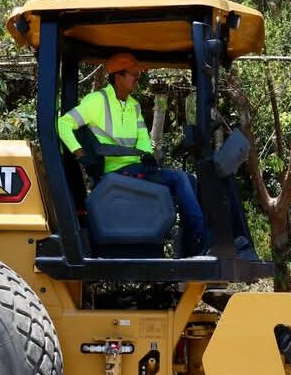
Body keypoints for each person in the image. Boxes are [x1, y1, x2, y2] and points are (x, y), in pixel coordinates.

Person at [57, 52, 208, 256]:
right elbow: (63, 123)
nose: (138, 79)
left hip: (137, 168)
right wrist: (79, 152)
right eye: (133, 75)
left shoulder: (134, 106)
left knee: (189, 179)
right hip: (116, 172)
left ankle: (187, 245)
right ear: (118, 76)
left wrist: (147, 154)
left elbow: (143, 138)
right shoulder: (96, 101)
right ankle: (199, 241)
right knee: (180, 178)